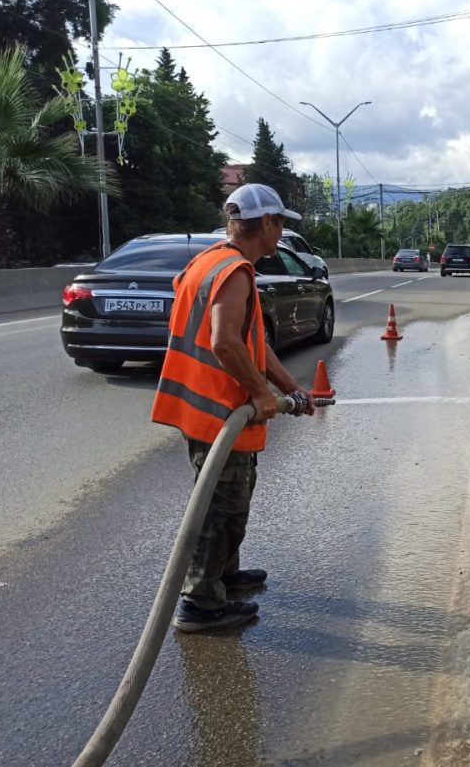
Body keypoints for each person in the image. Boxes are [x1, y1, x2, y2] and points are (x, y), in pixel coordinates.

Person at [152, 183, 315, 633]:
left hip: (202, 406)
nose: (281, 232)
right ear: (265, 224)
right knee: (221, 505)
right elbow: (223, 342)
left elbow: (250, 343)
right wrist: (261, 395)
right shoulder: (236, 272)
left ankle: (223, 575)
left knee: (228, 497)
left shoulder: (209, 262)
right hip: (218, 410)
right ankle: (201, 604)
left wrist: (290, 387)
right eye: (280, 223)